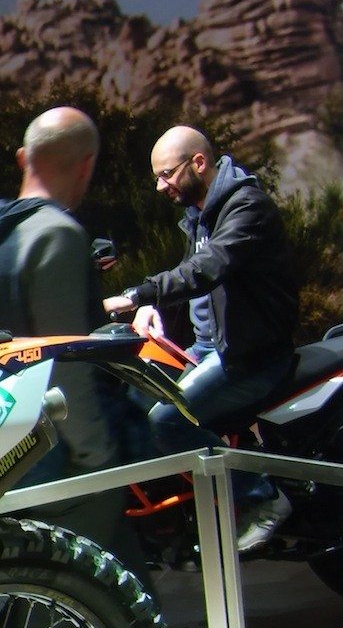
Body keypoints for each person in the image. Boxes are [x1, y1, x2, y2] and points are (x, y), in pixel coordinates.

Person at [0, 106, 137, 559]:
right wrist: (96, 455)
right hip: (51, 447)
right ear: (86, 165)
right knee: (101, 580)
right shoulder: (57, 235)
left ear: (22, 158)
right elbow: (63, 359)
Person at [104, 126, 299, 553]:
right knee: (135, 395)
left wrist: (139, 294)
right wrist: (153, 309)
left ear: (198, 162)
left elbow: (210, 267)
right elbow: (196, 280)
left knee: (166, 421)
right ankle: (178, 516)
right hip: (210, 351)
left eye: (166, 174)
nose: (161, 186)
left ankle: (262, 497)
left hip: (250, 359)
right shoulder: (202, 213)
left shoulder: (246, 207)